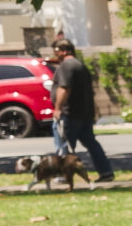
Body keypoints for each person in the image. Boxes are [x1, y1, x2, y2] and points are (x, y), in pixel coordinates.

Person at [45, 39, 112, 180]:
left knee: (63, 145)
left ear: (64, 51)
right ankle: (106, 172)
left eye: (56, 51)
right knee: (91, 144)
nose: (55, 54)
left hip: (69, 114)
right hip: (84, 113)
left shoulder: (66, 66)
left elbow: (64, 88)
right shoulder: (80, 65)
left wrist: (58, 108)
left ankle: (63, 176)